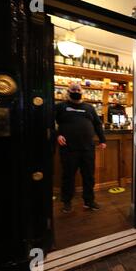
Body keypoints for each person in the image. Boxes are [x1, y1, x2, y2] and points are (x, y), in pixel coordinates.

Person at [55, 83, 107, 213]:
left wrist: (102, 140)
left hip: (87, 148)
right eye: (74, 89)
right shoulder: (60, 107)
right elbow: (49, 122)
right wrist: (57, 135)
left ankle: (89, 201)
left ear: (82, 92)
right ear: (68, 91)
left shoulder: (89, 108)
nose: (76, 91)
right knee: (68, 176)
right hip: (68, 148)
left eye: (78, 90)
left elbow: (97, 124)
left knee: (89, 176)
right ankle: (67, 202)